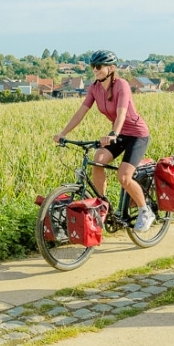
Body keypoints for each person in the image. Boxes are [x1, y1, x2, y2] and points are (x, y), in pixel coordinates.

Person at [54, 50, 157, 232]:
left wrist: (113, 134)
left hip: (137, 134)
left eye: (98, 66)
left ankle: (145, 210)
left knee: (124, 177)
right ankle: (102, 207)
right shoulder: (94, 88)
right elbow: (81, 112)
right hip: (119, 134)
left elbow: (121, 113)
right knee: (98, 160)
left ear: (110, 68)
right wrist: (63, 133)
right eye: (93, 66)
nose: (95, 70)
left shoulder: (121, 85)